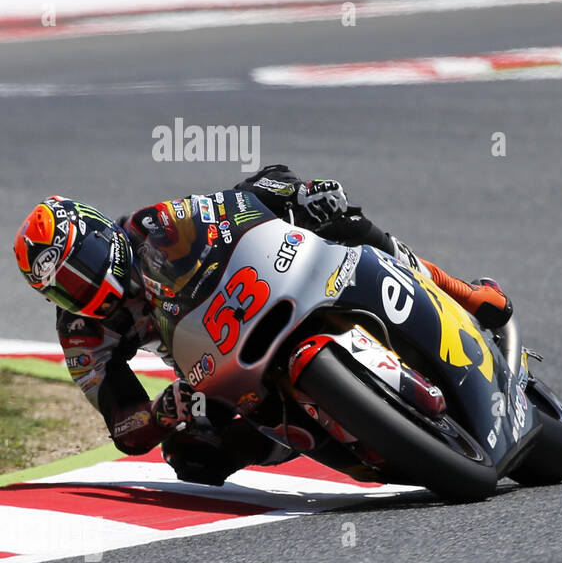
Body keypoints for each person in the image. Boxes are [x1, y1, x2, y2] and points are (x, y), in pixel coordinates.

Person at [12, 164, 512, 486]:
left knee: (335, 215)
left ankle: (460, 290)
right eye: (65, 287)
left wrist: (292, 193)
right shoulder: (83, 334)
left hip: (256, 290)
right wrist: (163, 414)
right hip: (209, 363)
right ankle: (328, 432)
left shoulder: (152, 224)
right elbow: (123, 424)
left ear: (103, 233)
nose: (85, 286)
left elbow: (234, 205)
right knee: (191, 456)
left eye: (87, 262)